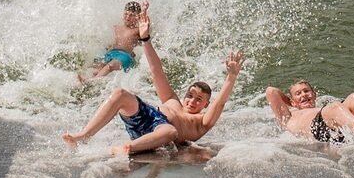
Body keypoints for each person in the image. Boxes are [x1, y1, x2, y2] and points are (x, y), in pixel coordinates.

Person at [64, 38, 244, 160]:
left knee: (170, 132)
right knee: (120, 94)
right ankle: (83, 136)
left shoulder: (201, 121)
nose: (191, 100)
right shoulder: (172, 100)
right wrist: (146, 39)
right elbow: (156, 70)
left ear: (206, 104)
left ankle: (127, 148)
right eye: (190, 95)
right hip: (146, 117)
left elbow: (220, 103)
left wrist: (231, 77)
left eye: (199, 99)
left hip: (160, 133)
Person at [267, 79, 354, 143]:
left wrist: (296, 99)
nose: (303, 95)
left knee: (353, 98)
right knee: (335, 107)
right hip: (318, 130)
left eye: (306, 91)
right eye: (298, 93)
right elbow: (271, 91)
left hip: (334, 128)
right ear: (292, 101)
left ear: (314, 95)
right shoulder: (288, 115)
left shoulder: (321, 108)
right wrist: (292, 103)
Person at [77, 1, 149, 84]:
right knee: (96, 70)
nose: (128, 17)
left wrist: (144, 11)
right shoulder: (116, 28)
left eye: (132, 15)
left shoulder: (136, 31)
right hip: (111, 54)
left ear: (137, 17)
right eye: (126, 14)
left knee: (110, 66)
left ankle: (91, 83)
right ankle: (83, 81)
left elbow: (146, 27)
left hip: (124, 56)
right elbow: (107, 41)